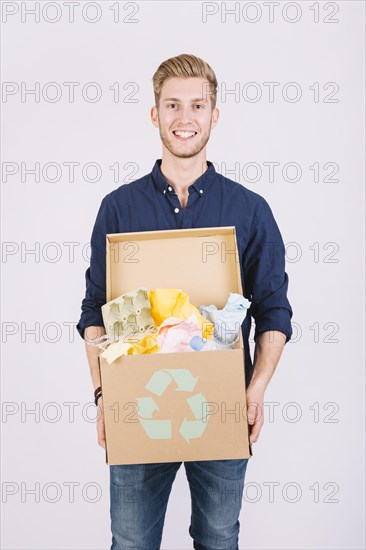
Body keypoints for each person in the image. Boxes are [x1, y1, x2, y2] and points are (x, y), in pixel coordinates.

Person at [76, 53, 293, 550]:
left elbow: (275, 311)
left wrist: (255, 389)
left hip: (222, 406)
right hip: (137, 401)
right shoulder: (119, 207)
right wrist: (103, 394)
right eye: (172, 105)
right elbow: (94, 310)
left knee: (219, 538)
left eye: (197, 105)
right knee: (130, 541)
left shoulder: (249, 209)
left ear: (215, 115)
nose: (184, 117)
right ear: (155, 114)